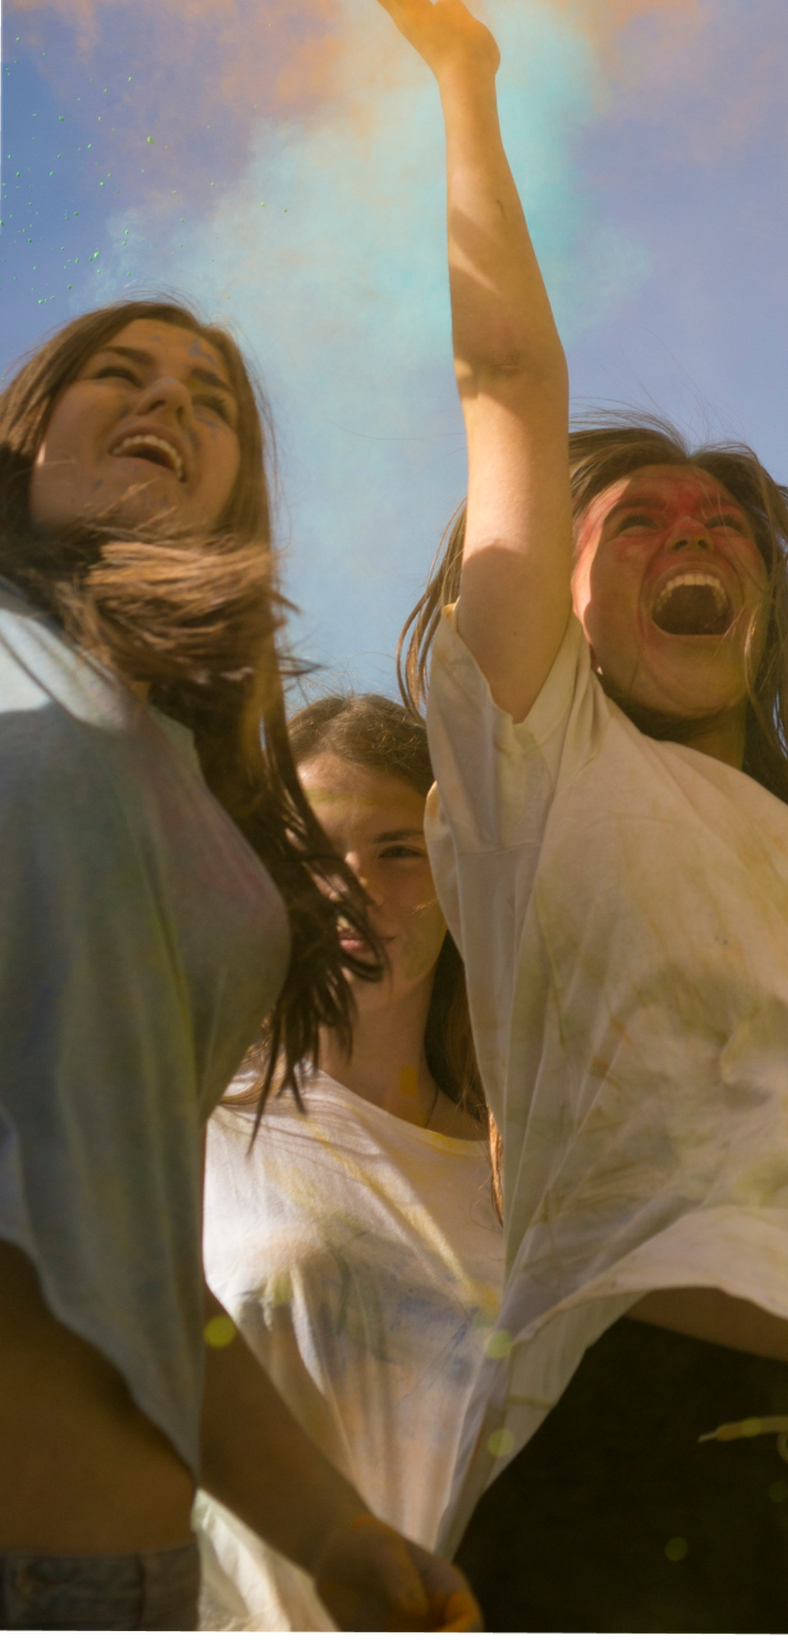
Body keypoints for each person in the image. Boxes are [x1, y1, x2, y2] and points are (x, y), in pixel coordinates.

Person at [326, 0, 788, 1636]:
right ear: (560, 593)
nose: (697, 536)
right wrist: (470, 91)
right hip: (625, 1447)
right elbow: (509, 384)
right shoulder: (540, 759)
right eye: (642, 522)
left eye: (727, 529)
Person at [0, 304, 477, 1635]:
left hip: (139, 1583)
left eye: (211, 397)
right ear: (25, 429)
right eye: (121, 373)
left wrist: (328, 1527)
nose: (172, 401)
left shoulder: (192, 788)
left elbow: (149, 1266)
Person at [195, 695, 502, 1634]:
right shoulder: (194, 1108)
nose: (353, 886)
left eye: (397, 851)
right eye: (315, 856)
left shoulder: (522, 1161)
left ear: (458, 874)